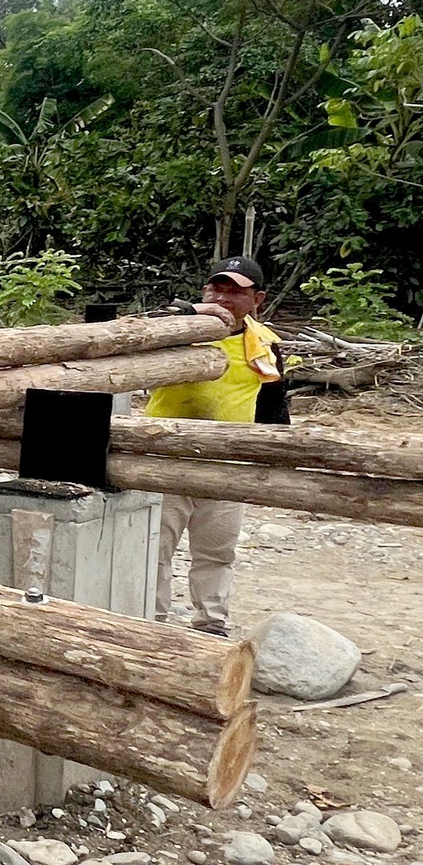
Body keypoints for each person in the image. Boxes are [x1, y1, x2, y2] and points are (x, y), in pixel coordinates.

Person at [147, 254, 283, 634]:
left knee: (217, 552)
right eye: (216, 288)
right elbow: (139, 331)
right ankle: (150, 622)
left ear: (258, 300)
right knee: (153, 548)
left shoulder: (265, 345)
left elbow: (273, 409)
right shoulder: (176, 329)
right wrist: (192, 312)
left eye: (235, 292)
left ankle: (211, 624)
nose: (222, 298)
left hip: (226, 464)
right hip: (163, 455)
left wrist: (269, 465)